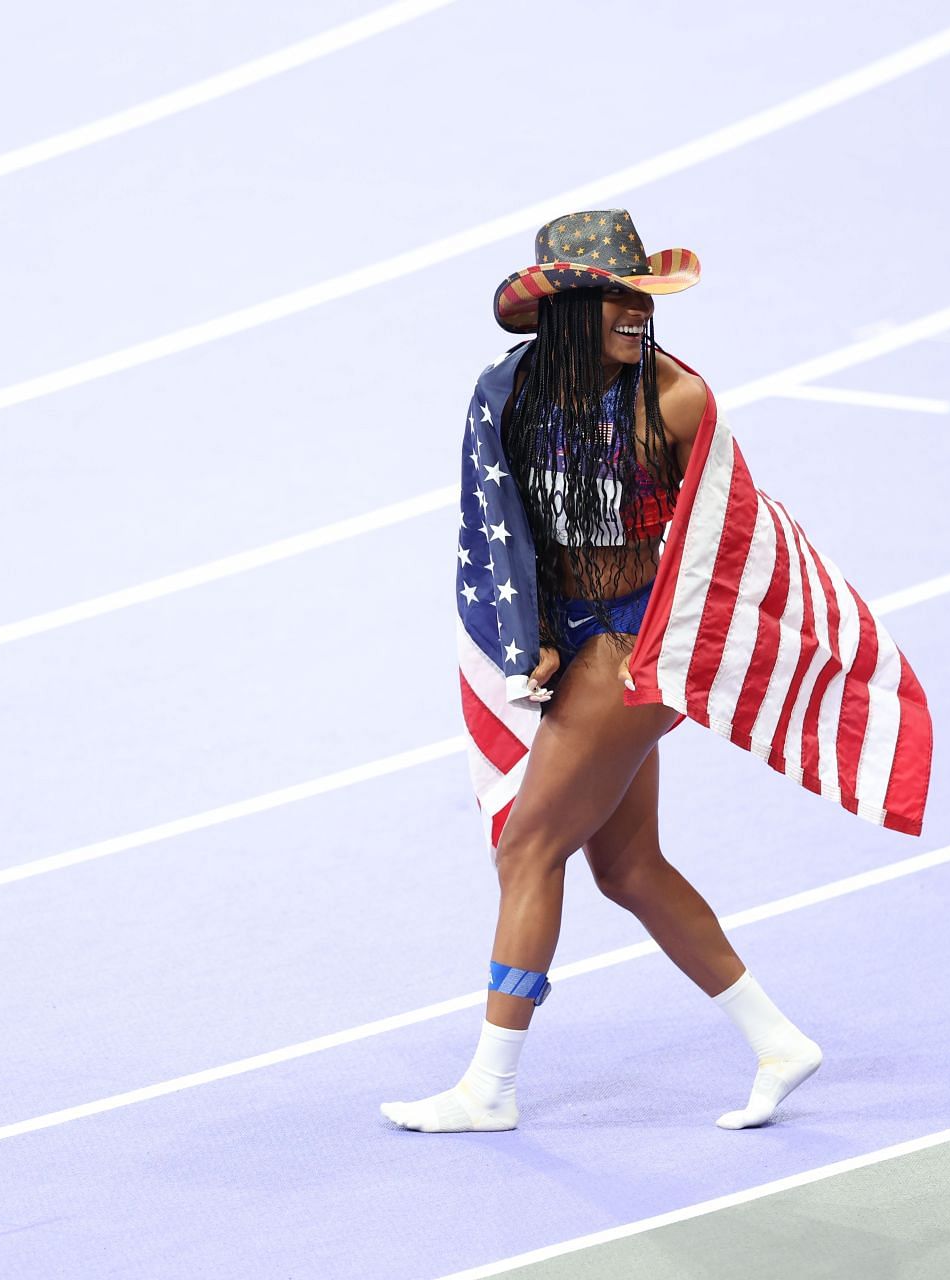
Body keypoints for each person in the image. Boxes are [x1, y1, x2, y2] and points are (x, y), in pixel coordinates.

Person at [381, 210, 822, 1134]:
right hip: (574, 639)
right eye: (618, 297)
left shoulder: (677, 402)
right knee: (625, 865)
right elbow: (505, 526)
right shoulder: (510, 394)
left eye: (644, 297)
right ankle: (779, 1043)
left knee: (527, 849)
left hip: (635, 647)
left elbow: (725, 537)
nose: (636, 312)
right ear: (568, 312)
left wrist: (659, 648)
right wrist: (528, 632)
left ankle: (489, 1089)